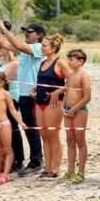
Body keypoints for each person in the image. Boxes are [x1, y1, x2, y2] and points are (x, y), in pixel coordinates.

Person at [0, 19, 44, 176]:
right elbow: (4, 43)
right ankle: (30, 160)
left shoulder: (38, 48)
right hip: (23, 93)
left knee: (32, 129)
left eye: (30, 32)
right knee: (27, 128)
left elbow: (19, 46)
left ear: (39, 35)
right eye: (25, 31)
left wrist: (3, 28)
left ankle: (36, 161)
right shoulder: (27, 48)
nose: (26, 33)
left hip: (33, 94)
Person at [33, 34, 71, 179]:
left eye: (44, 45)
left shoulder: (60, 62)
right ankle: (47, 166)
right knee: (44, 135)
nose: (41, 48)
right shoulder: (43, 62)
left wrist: (59, 91)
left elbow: (72, 80)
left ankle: (55, 168)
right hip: (40, 102)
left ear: (54, 48)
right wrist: (35, 89)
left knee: (53, 135)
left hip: (54, 103)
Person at [61, 48, 91, 183]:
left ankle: (81, 172)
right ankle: (70, 170)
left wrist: (74, 109)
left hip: (80, 110)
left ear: (81, 61)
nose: (69, 62)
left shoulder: (84, 75)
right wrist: (63, 107)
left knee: (80, 140)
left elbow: (87, 97)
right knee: (69, 140)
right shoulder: (71, 75)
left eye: (72, 59)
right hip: (68, 110)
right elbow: (67, 92)